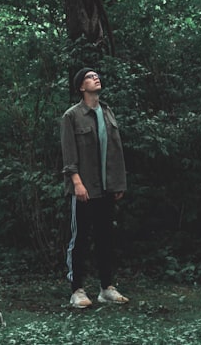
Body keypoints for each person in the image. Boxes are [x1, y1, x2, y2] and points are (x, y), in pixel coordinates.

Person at [60, 67, 129, 309]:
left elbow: (115, 151)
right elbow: (69, 154)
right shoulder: (72, 116)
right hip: (84, 188)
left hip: (106, 188)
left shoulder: (107, 112)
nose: (95, 77)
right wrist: (77, 182)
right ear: (81, 87)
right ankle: (76, 289)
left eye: (96, 75)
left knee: (105, 238)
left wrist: (118, 183)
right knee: (78, 240)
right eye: (90, 77)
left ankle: (106, 288)